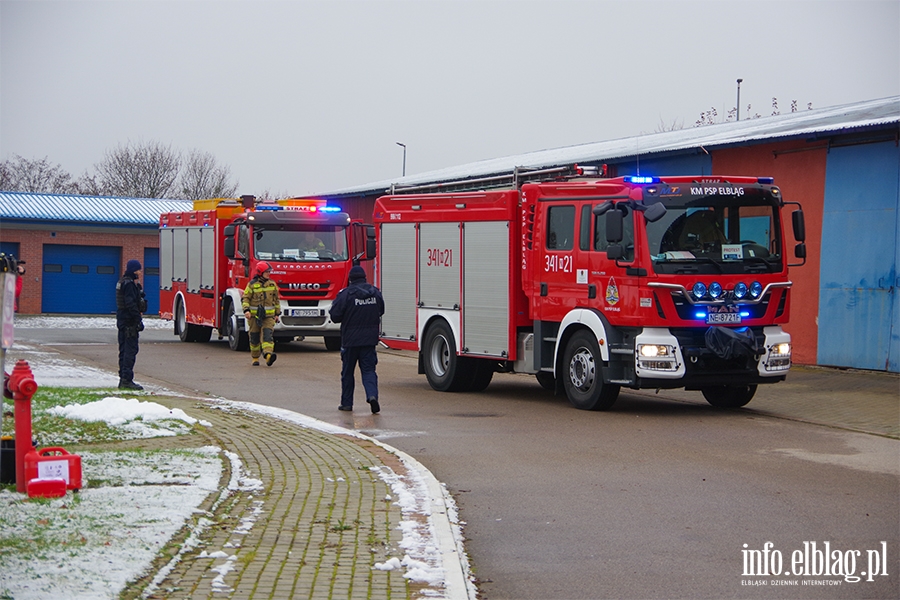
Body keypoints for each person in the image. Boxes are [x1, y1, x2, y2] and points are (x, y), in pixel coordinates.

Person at [329, 265, 384, 413]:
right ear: (364, 277)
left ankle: (347, 404)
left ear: (350, 279)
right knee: (369, 371)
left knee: (347, 373)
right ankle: (372, 396)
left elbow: (335, 316)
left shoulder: (346, 294)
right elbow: (381, 310)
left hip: (350, 342)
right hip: (369, 341)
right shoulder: (375, 293)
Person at [241, 261, 281, 366]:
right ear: (260, 272)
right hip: (254, 316)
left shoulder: (272, 285)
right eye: (266, 272)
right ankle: (255, 357)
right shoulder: (252, 285)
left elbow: (276, 300)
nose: (269, 274)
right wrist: (246, 310)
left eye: (269, 271)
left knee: (268, 336)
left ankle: (268, 356)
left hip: (269, 317)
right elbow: (245, 298)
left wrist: (277, 314)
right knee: (254, 336)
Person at [116, 259, 147, 390]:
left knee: (124, 350)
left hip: (123, 320)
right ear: (134, 270)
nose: (140, 272)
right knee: (130, 350)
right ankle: (126, 380)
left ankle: (124, 378)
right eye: (139, 269)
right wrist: (138, 320)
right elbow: (130, 304)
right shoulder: (128, 284)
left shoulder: (123, 282)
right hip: (129, 321)